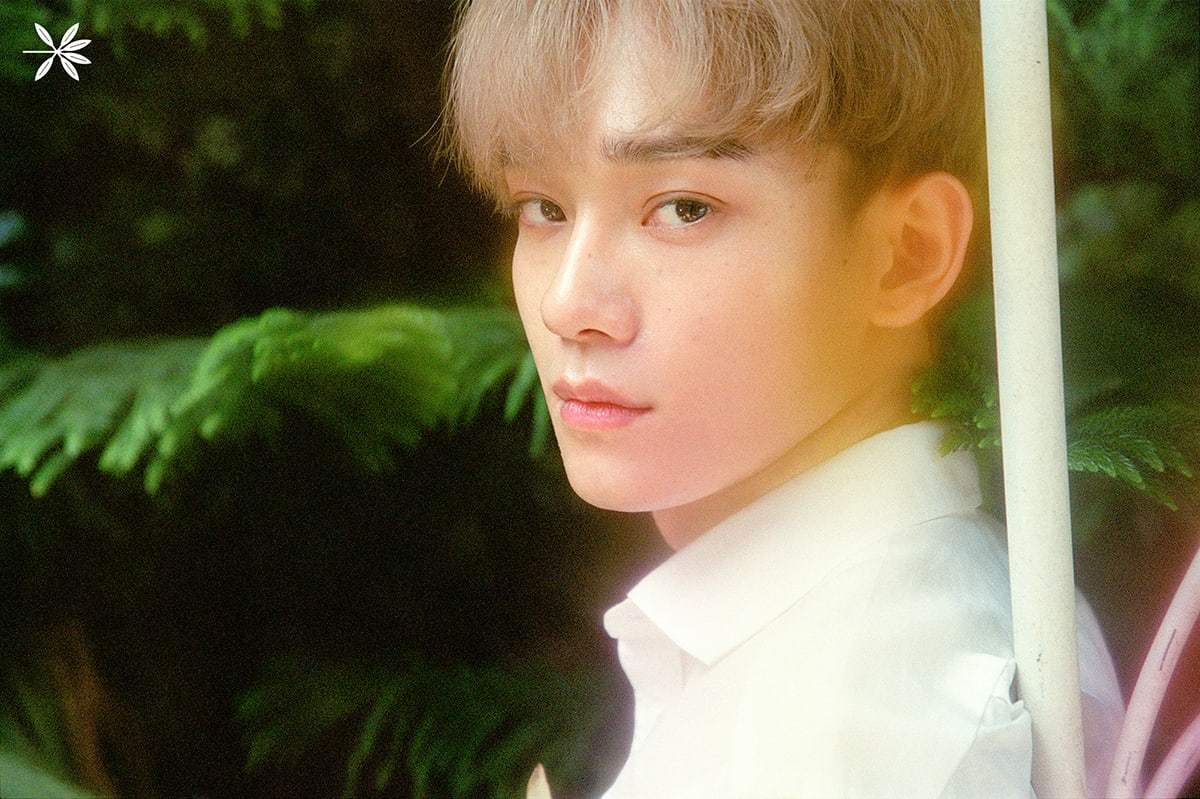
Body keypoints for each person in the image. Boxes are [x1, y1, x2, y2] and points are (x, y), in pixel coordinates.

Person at [436, 1, 1127, 796]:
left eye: (684, 208)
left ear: (907, 252)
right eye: (542, 208)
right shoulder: (850, 636)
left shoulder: (860, 721)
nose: (567, 304)